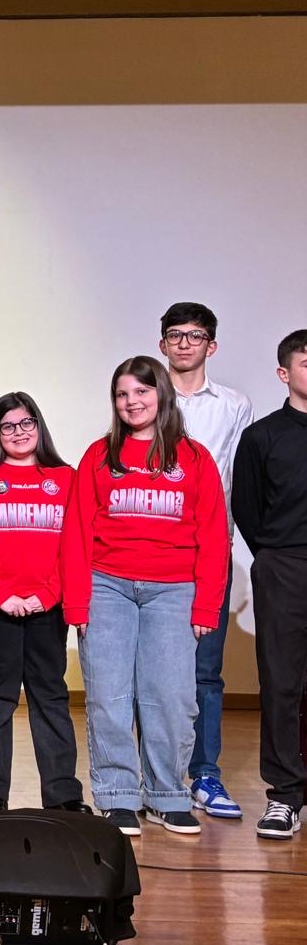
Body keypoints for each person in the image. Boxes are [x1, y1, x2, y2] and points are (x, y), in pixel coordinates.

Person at [62, 356, 227, 837]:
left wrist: (206, 604)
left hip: (173, 592)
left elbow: (214, 535)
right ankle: (117, 795)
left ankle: (167, 795)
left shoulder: (193, 458)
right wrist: (77, 601)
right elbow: (77, 532)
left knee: (171, 698)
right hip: (107, 587)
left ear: (161, 395)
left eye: (141, 391)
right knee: (109, 696)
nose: (131, 402)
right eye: (122, 394)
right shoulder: (99, 455)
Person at [0, 393, 87, 813]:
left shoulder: (66, 479)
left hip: (48, 608)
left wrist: (47, 596)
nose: (19, 432)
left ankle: (63, 794)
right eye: (8, 426)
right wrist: (2, 596)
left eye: (26, 423)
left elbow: (73, 545)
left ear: (39, 425)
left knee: (50, 694)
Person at [159, 302, 254, 821]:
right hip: (153, 549)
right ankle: (156, 775)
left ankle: (204, 775)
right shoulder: (146, 396)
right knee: (152, 672)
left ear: (210, 345)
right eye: (175, 334)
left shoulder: (235, 405)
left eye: (194, 336)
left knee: (205, 673)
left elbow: (238, 479)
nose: (184, 343)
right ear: (162, 344)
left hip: (208, 550)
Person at [232, 329, 307, 839]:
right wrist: (275, 555)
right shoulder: (262, 436)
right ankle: (285, 795)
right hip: (284, 566)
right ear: (284, 373)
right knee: (282, 683)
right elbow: (247, 507)